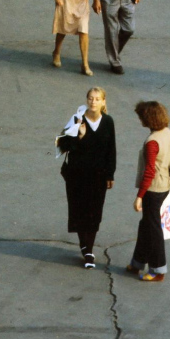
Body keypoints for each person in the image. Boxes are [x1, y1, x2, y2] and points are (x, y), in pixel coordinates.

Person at [57, 87, 116, 268]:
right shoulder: (77, 119)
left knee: (94, 212)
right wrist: (79, 137)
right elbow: (62, 144)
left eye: (97, 99)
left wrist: (110, 174)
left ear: (103, 101)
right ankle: (85, 246)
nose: (93, 102)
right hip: (77, 175)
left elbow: (111, 150)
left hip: (98, 176)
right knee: (79, 210)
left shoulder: (108, 121)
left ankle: (88, 248)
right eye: (90, 98)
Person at [127, 100, 170, 283]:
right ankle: (138, 262)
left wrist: (139, 196)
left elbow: (149, 172)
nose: (140, 120)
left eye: (141, 117)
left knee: (153, 229)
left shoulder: (152, 142)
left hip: (154, 189)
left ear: (148, 119)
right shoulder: (168, 132)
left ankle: (158, 269)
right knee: (146, 225)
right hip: (165, 184)